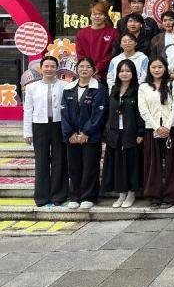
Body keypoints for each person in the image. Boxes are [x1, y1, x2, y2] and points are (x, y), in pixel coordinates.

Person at [61, 57, 108, 210]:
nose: (84, 69)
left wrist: (87, 132)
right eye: (81, 66)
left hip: (91, 136)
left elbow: (99, 113)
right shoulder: (68, 88)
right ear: (76, 69)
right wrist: (70, 134)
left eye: (88, 67)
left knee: (90, 167)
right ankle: (74, 196)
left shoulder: (99, 89)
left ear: (93, 70)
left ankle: (89, 196)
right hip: (73, 137)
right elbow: (64, 113)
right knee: (74, 167)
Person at [23, 56, 68, 207]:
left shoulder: (65, 86)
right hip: (39, 126)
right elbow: (28, 110)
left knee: (59, 160)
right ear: (41, 68)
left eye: (52, 66)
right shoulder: (31, 87)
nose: (49, 69)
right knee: (41, 161)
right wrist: (27, 132)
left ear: (57, 68)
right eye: (46, 66)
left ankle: (58, 195)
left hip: (59, 125)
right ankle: (41, 196)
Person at [138, 58, 174, 209]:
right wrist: (157, 127)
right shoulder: (143, 87)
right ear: (149, 69)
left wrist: (167, 127)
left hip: (171, 128)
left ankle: (170, 196)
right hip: (152, 129)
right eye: (154, 67)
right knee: (152, 163)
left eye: (160, 67)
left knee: (172, 163)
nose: (157, 70)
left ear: (165, 68)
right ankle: (153, 196)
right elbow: (143, 110)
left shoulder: (172, 84)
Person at [102, 59, 144, 209]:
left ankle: (131, 194)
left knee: (131, 163)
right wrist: (106, 133)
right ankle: (121, 194)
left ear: (133, 73)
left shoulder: (138, 90)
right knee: (118, 164)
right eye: (121, 71)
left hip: (131, 133)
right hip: (115, 133)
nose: (124, 74)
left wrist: (140, 132)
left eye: (127, 71)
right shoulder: (114, 89)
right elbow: (108, 112)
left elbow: (140, 113)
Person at [76, 1, 120, 80]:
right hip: (87, 75)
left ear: (105, 16)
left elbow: (113, 54)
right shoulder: (81, 33)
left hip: (108, 75)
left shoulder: (114, 33)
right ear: (90, 16)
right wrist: (90, 70)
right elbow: (80, 54)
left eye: (100, 14)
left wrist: (97, 68)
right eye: (94, 14)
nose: (97, 16)